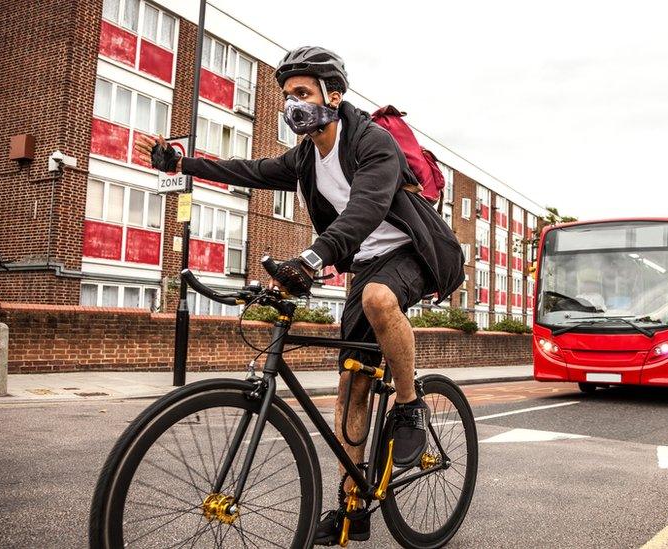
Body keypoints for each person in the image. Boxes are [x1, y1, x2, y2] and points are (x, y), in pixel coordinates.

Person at [135, 46, 464, 545]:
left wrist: (313, 259)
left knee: (378, 298)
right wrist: (184, 163)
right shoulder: (306, 156)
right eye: (287, 97)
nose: (293, 105)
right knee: (352, 383)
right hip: (367, 261)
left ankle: (409, 403)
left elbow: (367, 211)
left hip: (413, 250)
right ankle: (352, 506)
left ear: (333, 95)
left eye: (303, 94)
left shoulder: (373, 144)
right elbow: (252, 170)